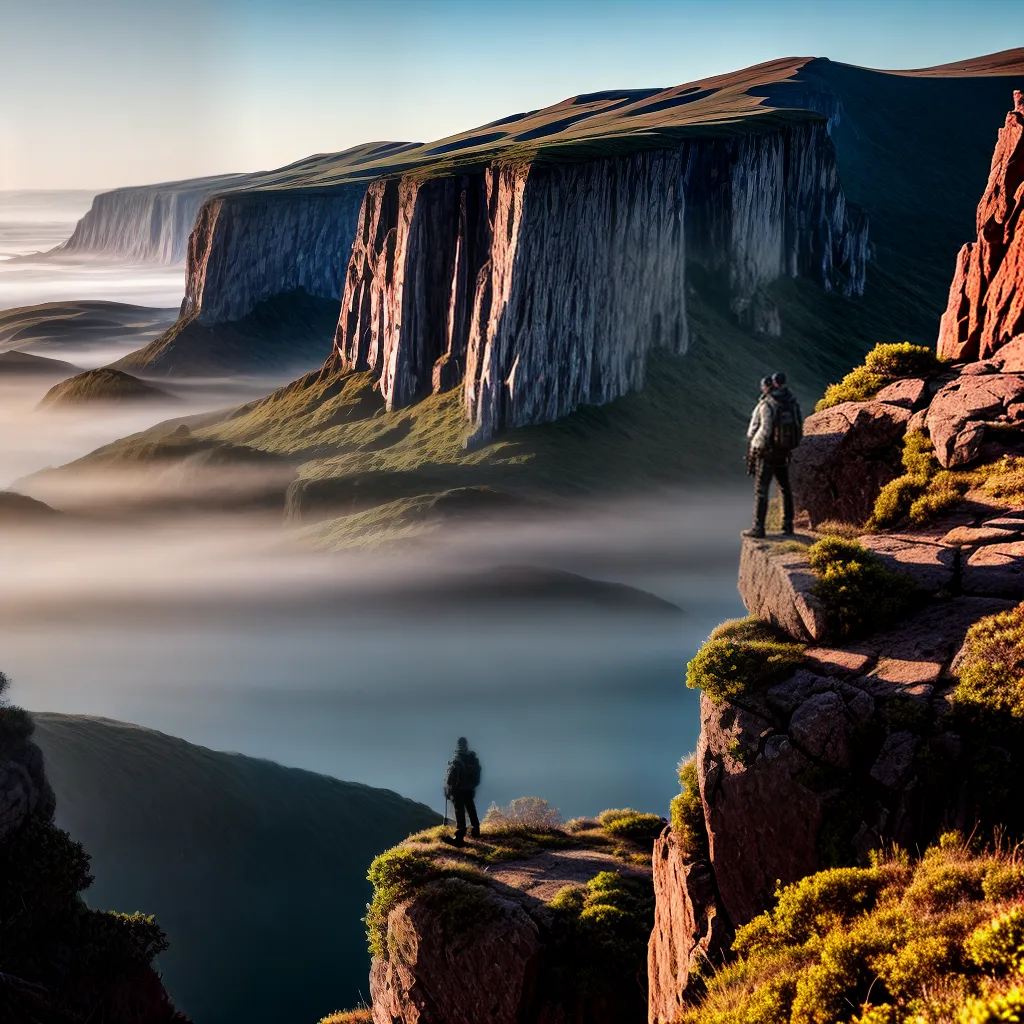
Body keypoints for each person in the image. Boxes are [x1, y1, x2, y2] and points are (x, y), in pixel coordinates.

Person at [743, 371, 802, 538]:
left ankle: (758, 528)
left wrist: (754, 444)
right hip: (784, 452)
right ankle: (788, 526)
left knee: (761, 490)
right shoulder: (791, 401)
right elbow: (798, 425)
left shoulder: (768, 404)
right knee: (785, 488)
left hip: (767, 453)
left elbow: (765, 430)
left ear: (768, 386)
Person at [444, 737, 481, 846]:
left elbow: (451, 778)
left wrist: (448, 789)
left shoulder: (458, 759)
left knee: (459, 811)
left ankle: (460, 835)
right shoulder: (472, 758)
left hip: (458, 790)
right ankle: (476, 830)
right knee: (471, 808)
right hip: (469, 788)